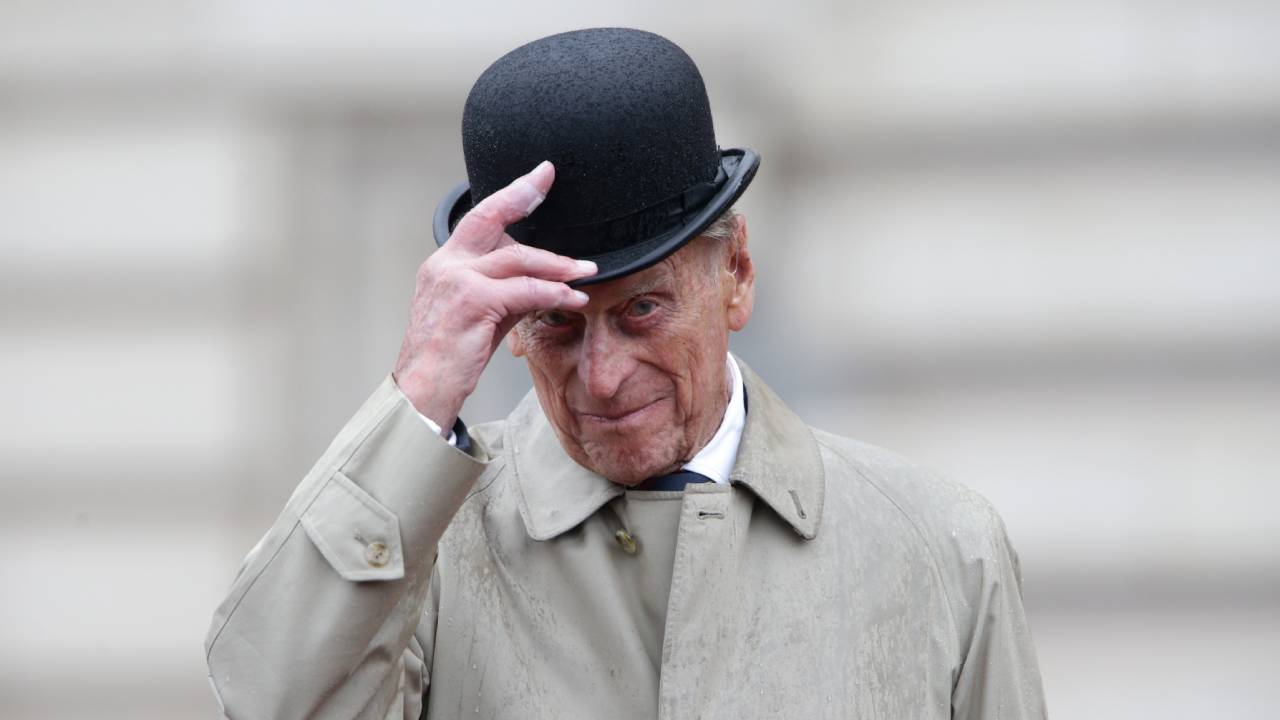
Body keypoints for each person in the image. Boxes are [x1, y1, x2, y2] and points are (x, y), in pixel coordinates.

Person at [205, 28, 1046, 719]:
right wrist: (420, 392)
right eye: (557, 322)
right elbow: (272, 701)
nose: (602, 378)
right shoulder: (426, 555)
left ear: (736, 273)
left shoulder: (940, 550)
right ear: (510, 329)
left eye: (642, 309)